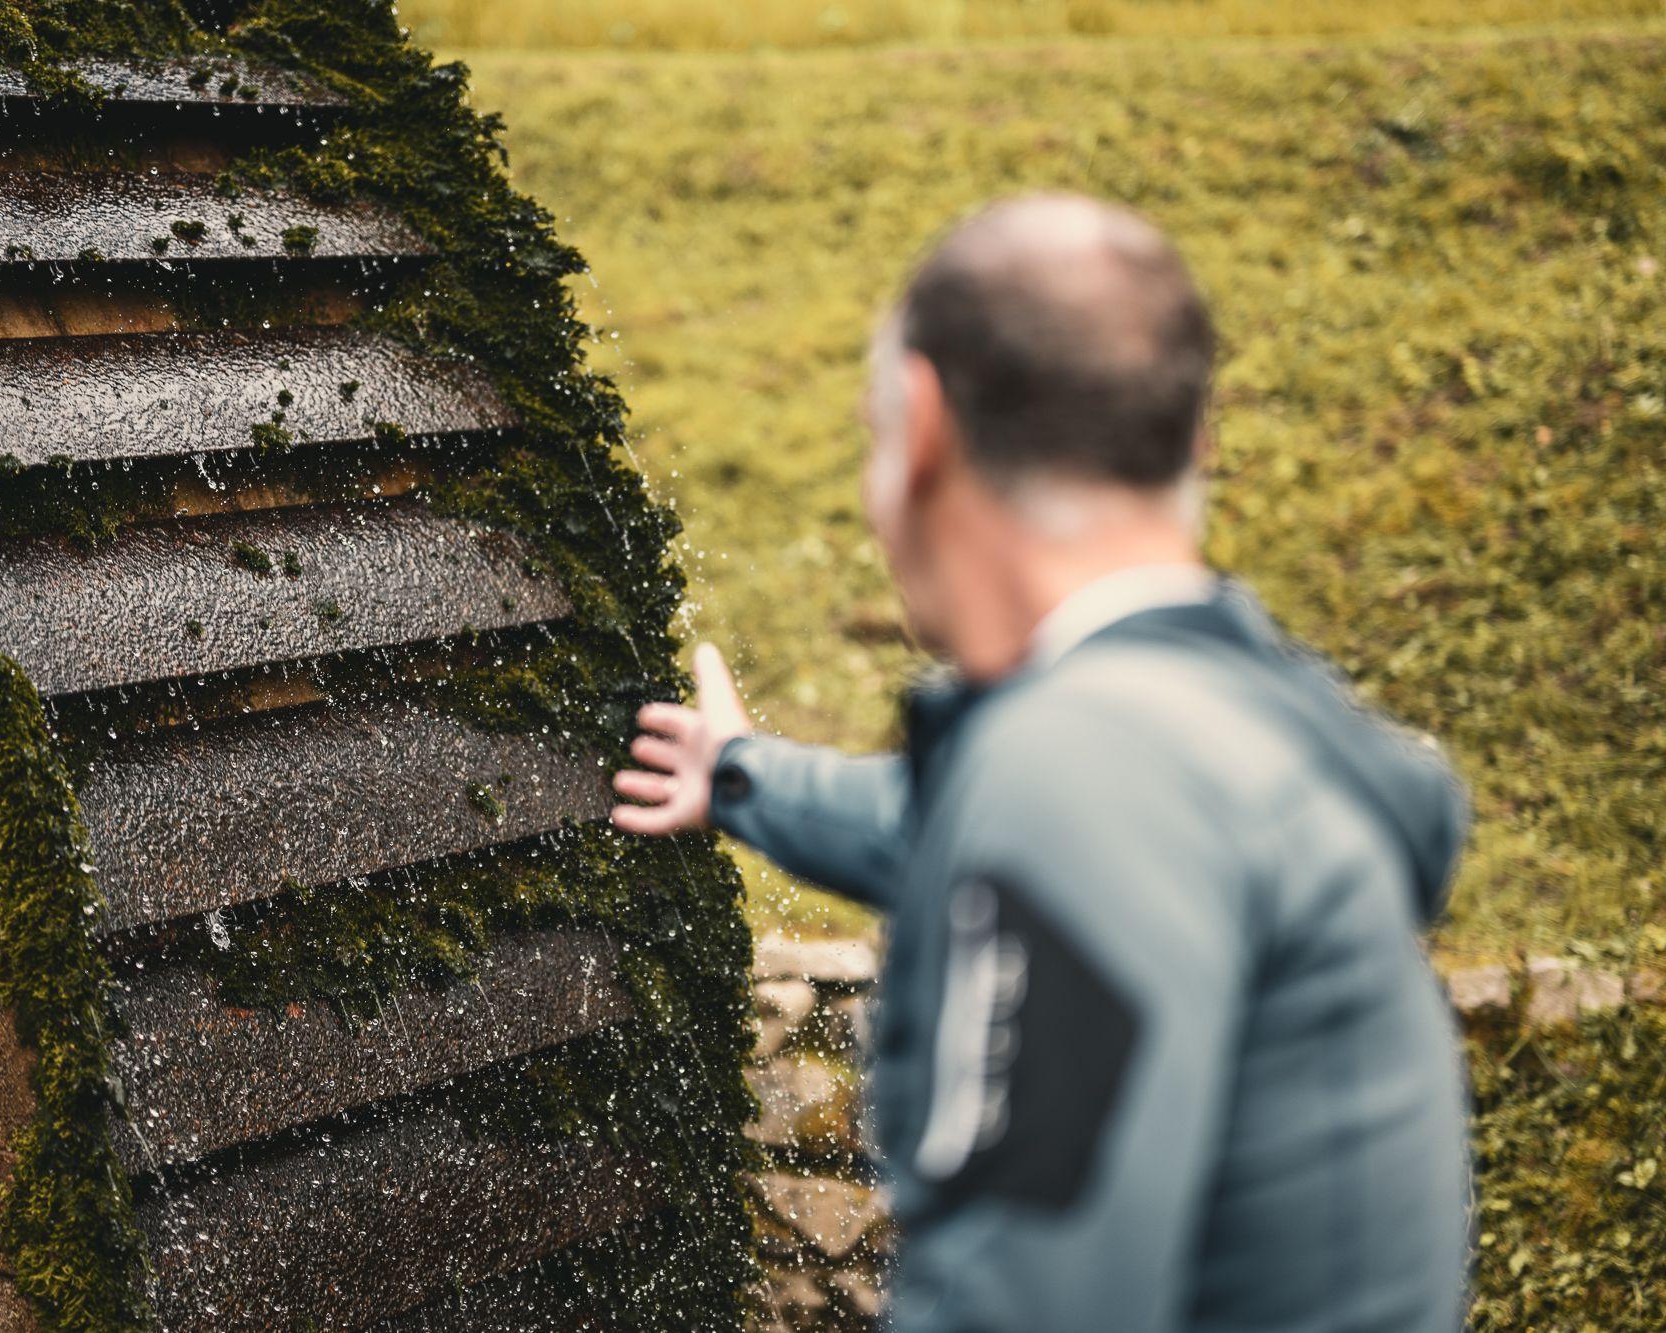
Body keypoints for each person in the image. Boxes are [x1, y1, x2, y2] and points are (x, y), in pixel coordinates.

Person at [612, 194, 1471, 1331]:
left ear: (918, 427)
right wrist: (740, 773)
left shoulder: (1078, 772)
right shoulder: (1226, 716)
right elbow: (932, 818)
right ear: (1191, 441)